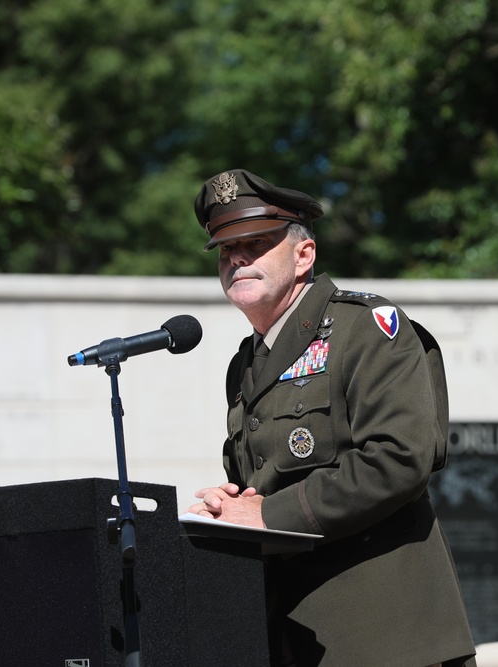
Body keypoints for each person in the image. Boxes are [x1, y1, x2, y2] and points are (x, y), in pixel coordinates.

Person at [185, 169, 476, 667]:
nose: (236, 258)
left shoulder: (365, 328)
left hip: (385, 637)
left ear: (304, 254)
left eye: (256, 243)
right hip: (292, 635)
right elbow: (269, 480)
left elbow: (399, 458)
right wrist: (233, 505)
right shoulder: (245, 363)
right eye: (225, 249)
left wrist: (266, 515)